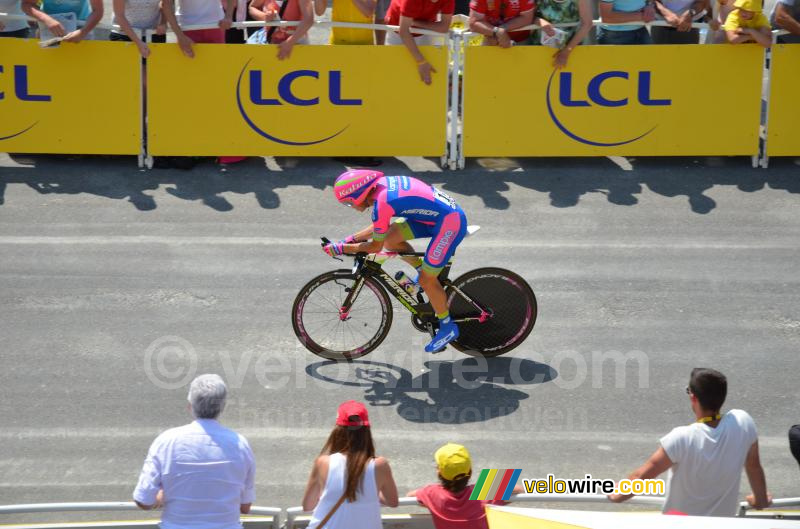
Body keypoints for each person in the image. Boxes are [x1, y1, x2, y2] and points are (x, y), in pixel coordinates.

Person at [324, 170, 468, 353]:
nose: (350, 206)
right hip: (435, 216)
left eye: (348, 202)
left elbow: (375, 247)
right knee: (391, 239)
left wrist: (342, 248)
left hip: (450, 223)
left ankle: (447, 326)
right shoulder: (381, 189)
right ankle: (423, 271)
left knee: (427, 280)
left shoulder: (383, 202)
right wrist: (351, 239)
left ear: (358, 194)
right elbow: (380, 226)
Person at [608, 368, 772, 517]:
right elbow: (753, 466)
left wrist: (616, 495)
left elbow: (641, 477)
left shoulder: (681, 438)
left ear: (693, 397)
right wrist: (761, 500)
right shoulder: (743, 423)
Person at [133, 374, 256, 529]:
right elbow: (245, 507)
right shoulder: (241, 445)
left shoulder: (166, 441)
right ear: (222, 407)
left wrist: (160, 497)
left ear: (190, 405)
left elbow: (143, 501)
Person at [302, 400, 399, 529]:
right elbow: (392, 502)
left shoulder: (323, 463)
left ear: (338, 431)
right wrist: (371, 493)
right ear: (366, 431)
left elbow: (308, 506)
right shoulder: (380, 465)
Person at [408, 443, 523, 529]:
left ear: (439, 472)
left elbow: (410, 496)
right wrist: (497, 498)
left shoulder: (431, 493)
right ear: (470, 471)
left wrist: (432, 505)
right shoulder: (483, 489)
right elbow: (519, 490)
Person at [384, 0, 454, 84]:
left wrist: (414, 22)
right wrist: (421, 61)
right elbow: (403, 30)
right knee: (395, 71)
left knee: (428, 72)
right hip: (396, 28)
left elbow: (444, 27)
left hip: (422, 28)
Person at [531, 0, 592, 68]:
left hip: (573, 50)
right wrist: (540, 21)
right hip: (540, 48)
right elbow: (529, 17)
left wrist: (566, 52)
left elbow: (587, 24)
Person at [247, 0, 314, 58]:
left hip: (296, 46)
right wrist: (264, 16)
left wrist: (290, 42)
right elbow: (252, 7)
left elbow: (308, 19)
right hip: (270, 44)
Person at [22, 0, 103, 42]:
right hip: (49, 29)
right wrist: (47, 19)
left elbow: (98, 10)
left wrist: (83, 32)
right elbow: (26, 4)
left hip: (81, 28)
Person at [467, 0, 535, 47]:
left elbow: (527, 18)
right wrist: (495, 32)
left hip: (520, 40)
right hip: (491, 40)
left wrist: (502, 30)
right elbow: (473, 23)